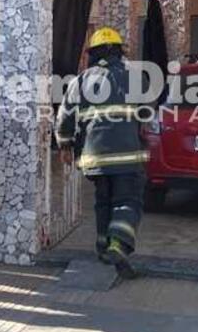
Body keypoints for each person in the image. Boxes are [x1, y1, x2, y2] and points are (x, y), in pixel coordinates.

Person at [55, 27, 149, 279]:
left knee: (103, 201)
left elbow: (64, 118)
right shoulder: (136, 78)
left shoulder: (80, 81)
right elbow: (147, 113)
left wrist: (64, 146)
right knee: (128, 201)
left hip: (94, 159)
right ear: (120, 52)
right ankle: (118, 243)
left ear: (92, 54)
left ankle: (103, 248)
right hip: (128, 158)